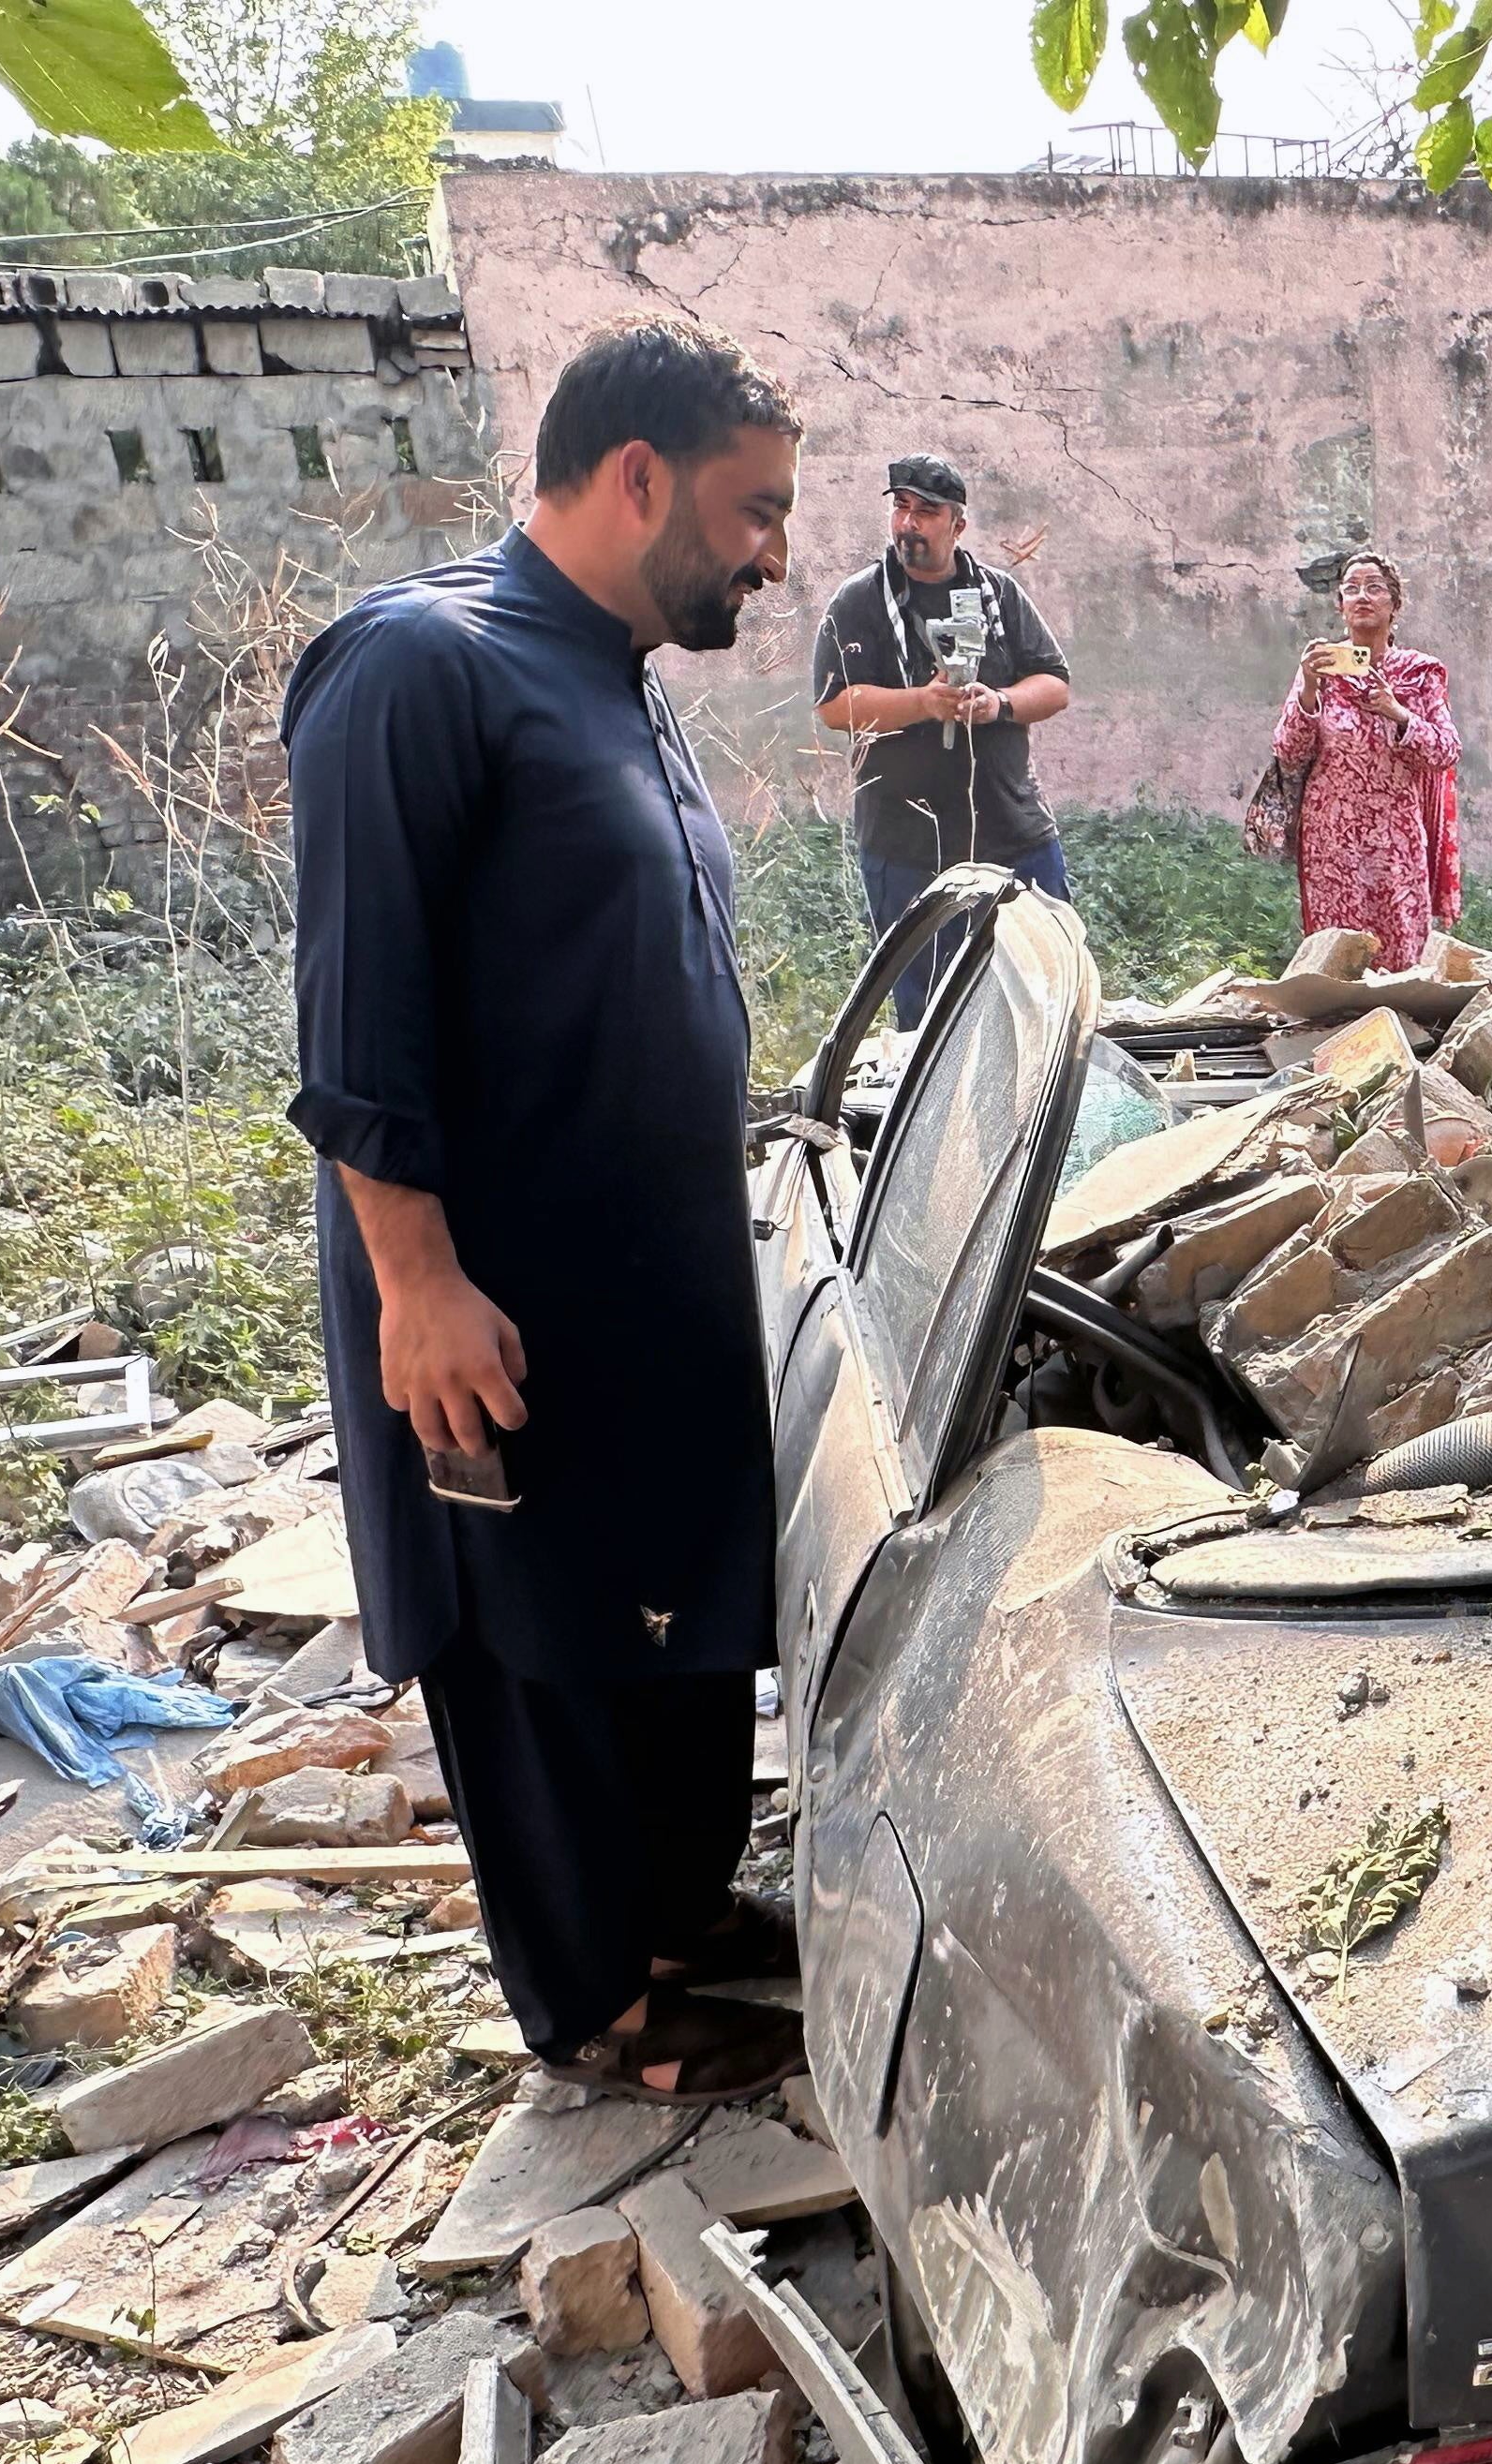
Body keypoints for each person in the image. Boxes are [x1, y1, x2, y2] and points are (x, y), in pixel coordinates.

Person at [284, 315, 807, 2104]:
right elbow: (358, 1020)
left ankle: (671, 1920)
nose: (773, 556)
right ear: (637, 475)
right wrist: (414, 1279)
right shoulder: (419, 668)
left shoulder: (610, 671)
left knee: (656, 1610)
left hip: (641, 1273)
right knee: (535, 1644)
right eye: (753, 512)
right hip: (493, 1293)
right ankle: (597, 2007)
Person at [811, 454, 1072, 1024]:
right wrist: (923, 704)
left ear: (958, 525)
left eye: (926, 512)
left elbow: (1055, 685)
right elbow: (835, 707)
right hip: (908, 849)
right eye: (901, 508)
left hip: (1013, 837)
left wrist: (999, 703)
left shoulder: (999, 596)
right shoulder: (860, 602)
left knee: (1042, 1010)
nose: (908, 523)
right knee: (929, 1025)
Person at [1268, 551, 1460, 972]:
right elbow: (1288, 750)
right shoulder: (1322, 666)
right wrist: (1310, 690)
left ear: (1394, 604)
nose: (1362, 597)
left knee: (1400, 949)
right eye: (1351, 589)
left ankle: (1402, 1034)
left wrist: (1397, 711)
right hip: (1331, 837)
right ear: (1340, 606)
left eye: (1374, 588)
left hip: (1395, 837)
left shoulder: (1420, 674)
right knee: (1338, 955)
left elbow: (1446, 751)